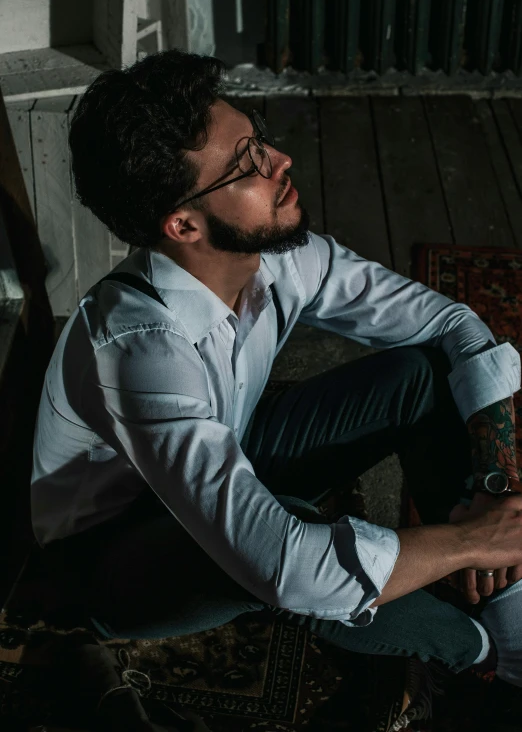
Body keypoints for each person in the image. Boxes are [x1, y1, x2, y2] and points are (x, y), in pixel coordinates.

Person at [31, 49, 522, 731]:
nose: (281, 161)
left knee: (421, 374)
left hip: (227, 442)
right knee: (290, 539)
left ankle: (494, 594)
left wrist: (494, 496)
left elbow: (454, 326)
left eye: (258, 139)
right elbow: (287, 567)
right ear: (183, 225)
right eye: (247, 165)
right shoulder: (141, 353)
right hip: (112, 558)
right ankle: (484, 655)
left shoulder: (278, 257)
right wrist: (468, 544)